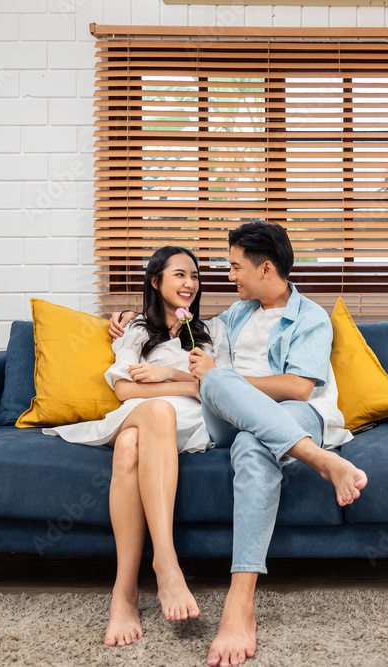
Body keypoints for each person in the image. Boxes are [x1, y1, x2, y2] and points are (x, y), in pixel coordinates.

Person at [110, 222, 367, 667]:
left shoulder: (310, 317)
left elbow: (299, 387)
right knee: (224, 390)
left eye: (235, 267)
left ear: (265, 268)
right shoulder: (237, 313)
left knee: (252, 444)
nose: (229, 276)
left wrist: (217, 379)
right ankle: (315, 457)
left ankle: (239, 603)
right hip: (227, 414)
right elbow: (184, 331)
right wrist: (129, 323)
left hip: (292, 415)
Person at [47, 246, 230, 647]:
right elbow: (125, 388)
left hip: (190, 425)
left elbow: (219, 390)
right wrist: (182, 386)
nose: (189, 283)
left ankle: (124, 594)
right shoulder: (136, 331)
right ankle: (165, 561)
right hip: (139, 412)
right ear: (155, 281)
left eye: (195, 276)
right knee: (155, 414)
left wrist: (166, 376)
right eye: (179, 274)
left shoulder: (211, 333)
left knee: (131, 444)